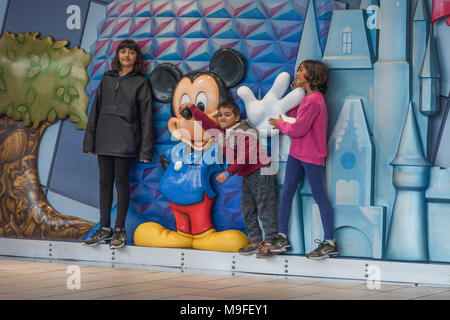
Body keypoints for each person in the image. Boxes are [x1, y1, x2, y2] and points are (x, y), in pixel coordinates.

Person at [180, 101, 278, 258]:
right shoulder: (223, 134)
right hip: (248, 174)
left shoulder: (246, 132)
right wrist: (192, 108)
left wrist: (228, 172)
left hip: (261, 171)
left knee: (265, 208)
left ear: (237, 117)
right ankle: (256, 241)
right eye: (220, 115)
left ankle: (270, 241)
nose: (222, 118)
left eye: (227, 114)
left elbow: (246, 156)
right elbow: (206, 123)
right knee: (247, 209)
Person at [82, 39, 153, 249]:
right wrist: (90, 141)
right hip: (104, 139)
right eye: (123, 51)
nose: (126, 56)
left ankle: (119, 230)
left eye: (131, 53)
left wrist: (145, 149)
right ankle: (105, 229)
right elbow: (95, 111)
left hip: (126, 141)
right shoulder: (106, 78)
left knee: (121, 183)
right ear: (118, 55)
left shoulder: (141, 82)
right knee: (104, 183)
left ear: (136, 58)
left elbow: (146, 118)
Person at [268, 60, 338, 260]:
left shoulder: (314, 100)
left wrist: (281, 124)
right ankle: (282, 237)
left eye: (301, 70)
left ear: (312, 76)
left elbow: (298, 129)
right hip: (297, 153)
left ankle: (329, 242)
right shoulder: (309, 100)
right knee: (287, 191)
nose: (296, 73)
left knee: (318, 195)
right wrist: (293, 107)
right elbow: (297, 120)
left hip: (310, 155)